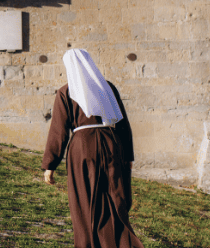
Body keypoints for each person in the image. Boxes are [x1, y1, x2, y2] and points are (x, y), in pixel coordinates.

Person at [42, 49, 144, 248]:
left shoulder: (66, 91)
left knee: (84, 199)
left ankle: (88, 243)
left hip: (82, 147)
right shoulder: (107, 88)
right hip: (111, 143)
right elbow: (123, 124)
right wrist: (128, 156)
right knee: (113, 196)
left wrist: (50, 165)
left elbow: (59, 130)